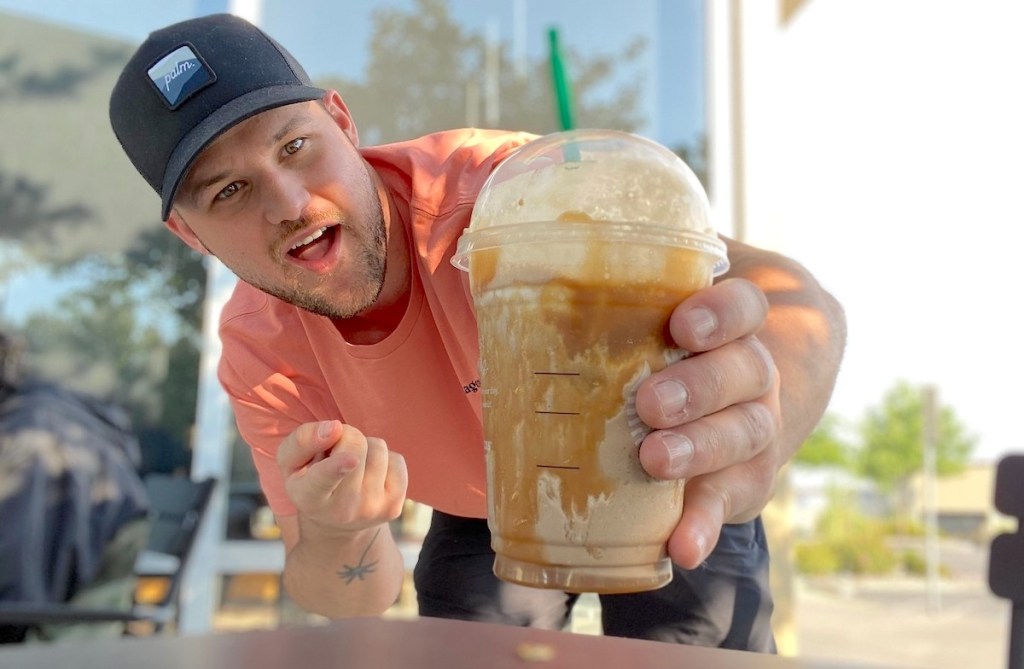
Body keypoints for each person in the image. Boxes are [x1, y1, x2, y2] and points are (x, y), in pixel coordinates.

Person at [109, 14, 845, 652]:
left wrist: (758, 427)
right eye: (229, 190)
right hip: (476, 504)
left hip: (650, 464)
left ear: (341, 121)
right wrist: (339, 535)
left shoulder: (508, 188)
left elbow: (800, 300)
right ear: (188, 234)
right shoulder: (260, 350)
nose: (291, 203)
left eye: (295, 145)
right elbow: (349, 591)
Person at [0, 332, 150, 643]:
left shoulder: (29, 438)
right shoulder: (56, 416)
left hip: (49, 640)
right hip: (81, 629)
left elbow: (17, 591)